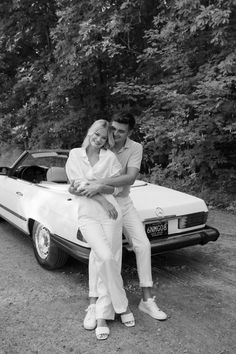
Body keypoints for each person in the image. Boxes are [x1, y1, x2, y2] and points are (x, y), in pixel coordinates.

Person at [76, 112, 167, 330]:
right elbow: (80, 176)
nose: (115, 134)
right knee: (99, 252)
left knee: (143, 244)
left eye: (121, 131)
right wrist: (96, 188)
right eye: (114, 129)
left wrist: (98, 183)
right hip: (99, 204)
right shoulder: (99, 142)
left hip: (123, 203)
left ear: (130, 133)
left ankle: (147, 300)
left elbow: (130, 178)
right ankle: (93, 303)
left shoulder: (135, 148)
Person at [65, 120, 135, 340]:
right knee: (104, 256)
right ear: (89, 132)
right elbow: (78, 187)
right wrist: (103, 199)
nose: (98, 139)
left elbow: (118, 187)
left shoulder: (109, 157)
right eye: (96, 134)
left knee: (111, 257)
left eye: (103, 138)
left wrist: (98, 186)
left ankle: (99, 310)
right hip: (88, 213)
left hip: (112, 214)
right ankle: (121, 304)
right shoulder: (76, 155)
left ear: (107, 140)